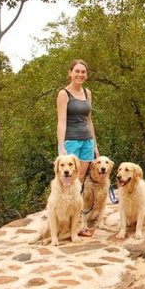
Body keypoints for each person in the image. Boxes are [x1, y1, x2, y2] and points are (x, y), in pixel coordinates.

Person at [57, 59, 100, 236]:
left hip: (87, 141)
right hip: (71, 141)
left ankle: (78, 224)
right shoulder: (64, 94)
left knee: (80, 181)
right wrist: (62, 147)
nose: (80, 75)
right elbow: (61, 122)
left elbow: (89, 121)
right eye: (77, 71)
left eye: (83, 72)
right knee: (66, 181)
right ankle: (62, 221)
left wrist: (95, 145)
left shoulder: (87, 93)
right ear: (70, 72)